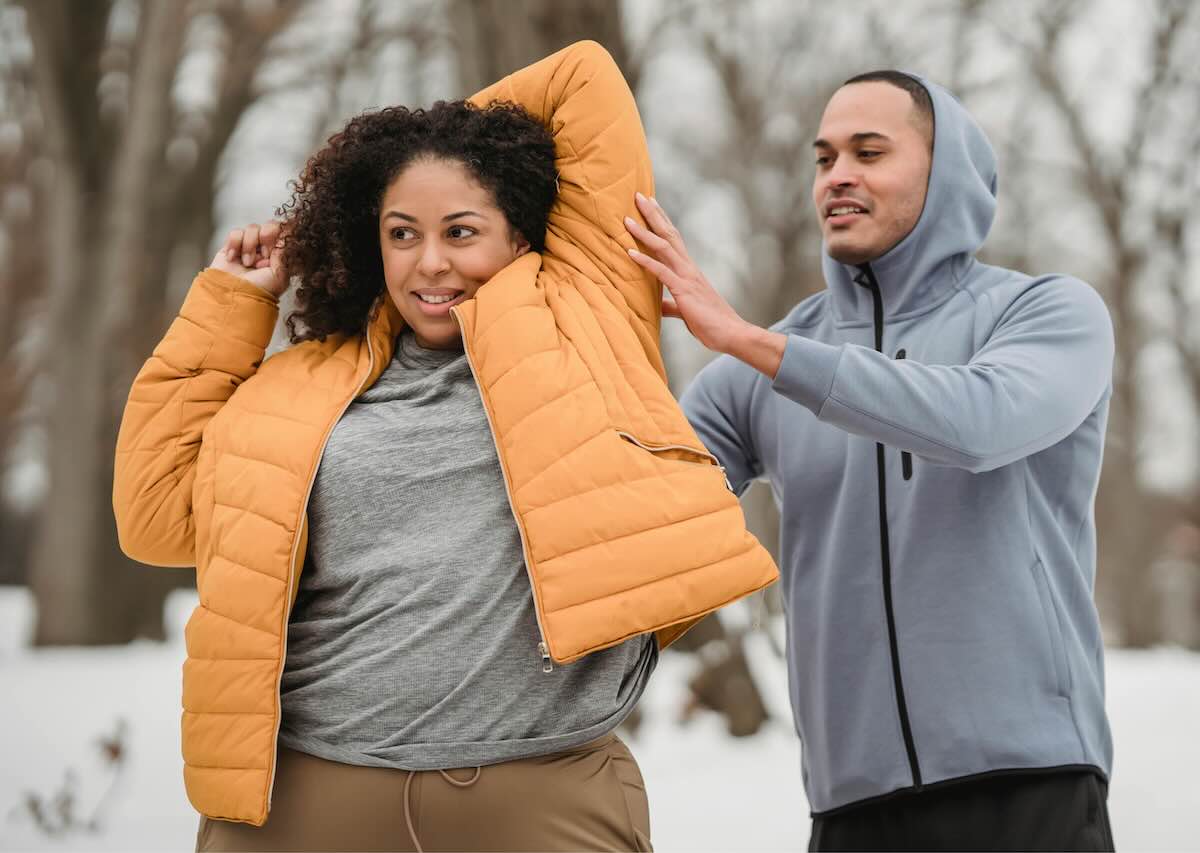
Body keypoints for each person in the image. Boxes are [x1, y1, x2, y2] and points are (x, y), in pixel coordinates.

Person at [113, 41, 775, 853]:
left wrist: (428, 144)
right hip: (305, 803)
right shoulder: (296, 390)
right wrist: (228, 306)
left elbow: (581, 78)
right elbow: (151, 515)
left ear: (520, 237)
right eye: (402, 232)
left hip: (538, 801)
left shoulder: (588, 323)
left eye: (462, 229)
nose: (431, 262)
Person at [626, 70, 1116, 851]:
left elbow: (978, 422)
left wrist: (753, 343)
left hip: (1030, 787)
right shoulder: (756, 375)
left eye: (869, 151)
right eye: (823, 159)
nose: (839, 176)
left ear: (943, 167)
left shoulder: (1045, 313)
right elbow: (639, 509)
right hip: (852, 810)